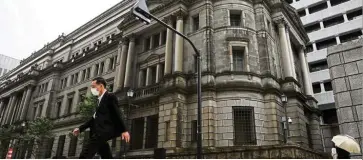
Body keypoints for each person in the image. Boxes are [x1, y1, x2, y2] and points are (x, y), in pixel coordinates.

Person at [73, 77, 130, 159]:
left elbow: (116, 114)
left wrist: (124, 130)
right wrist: (80, 128)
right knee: (106, 155)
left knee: (85, 155)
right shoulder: (99, 100)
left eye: (93, 86)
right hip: (99, 132)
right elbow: (93, 119)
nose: (92, 89)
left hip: (102, 132)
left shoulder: (110, 96)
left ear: (101, 86)